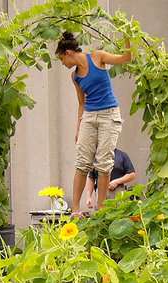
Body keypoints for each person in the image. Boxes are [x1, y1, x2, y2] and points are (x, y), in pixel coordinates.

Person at [56, 32, 131, 216]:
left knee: (103, 164)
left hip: (109, 114)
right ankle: (75, 210)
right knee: (82, 163)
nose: (63, 64)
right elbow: (81, 103)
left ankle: (102, 209)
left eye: (61, 59)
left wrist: (128, 36)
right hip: (89, 116)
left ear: (68, 53)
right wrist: (78, 127)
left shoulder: (98, 57)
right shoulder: (75, 77)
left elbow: (126, 57)